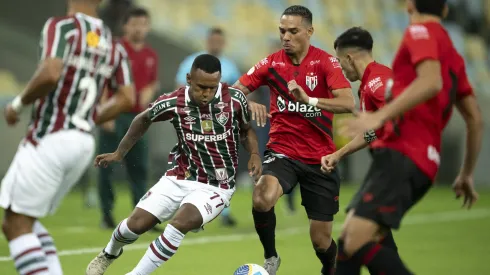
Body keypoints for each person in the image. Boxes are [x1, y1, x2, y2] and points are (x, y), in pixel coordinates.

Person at [334, 1, 482, 274]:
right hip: (422, 161)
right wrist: (467, 173)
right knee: (348, 243)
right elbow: (475, 119)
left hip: (402, 153)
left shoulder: (418, 32)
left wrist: (379, 116)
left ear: (409, 6)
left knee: (354, 240)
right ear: (446, 11)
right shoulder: (454, 55)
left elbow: (430, 82)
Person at [86, 54, 262, 275]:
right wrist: (119, 153)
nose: (206, 93)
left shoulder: (235, 100)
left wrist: (254, 153)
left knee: (178, 225)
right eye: (200, 87)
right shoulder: (173, 102)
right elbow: (143, 118)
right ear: (189, 79)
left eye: (211, 87)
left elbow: (246, 130)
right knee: (135, 225)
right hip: (179, 176)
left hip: (217, 186)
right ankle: (109, 253)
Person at [0, 0, 135, 274]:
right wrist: (86, 118)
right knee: (28, 220)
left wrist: (17, 105)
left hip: (51, 136)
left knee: (15, 224)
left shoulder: (62, 28)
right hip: (83, 142)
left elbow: (50, 72)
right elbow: (127, 97)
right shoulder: (113, 44)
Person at [234, 5, 355, 275]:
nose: (285, 37)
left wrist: (309, 100)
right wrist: (247, 101)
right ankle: (271, 258)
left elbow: (348, 102)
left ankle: (332, 269)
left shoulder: (326, 62)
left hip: (320, 158)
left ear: (309, 32)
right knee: (262, 197)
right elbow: (235, 91)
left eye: (293, 31)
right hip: (282, 152)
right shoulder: (271, 63)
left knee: (321, 241)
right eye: (282, 31)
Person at [319, 27, 400, 274]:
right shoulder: (370, 83)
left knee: (351, 237)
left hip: (394, 166)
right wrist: (338, 154)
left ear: (349, 58)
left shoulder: (378, 83)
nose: (342, 71)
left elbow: (398, 121)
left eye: (341, 64)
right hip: (386, 166)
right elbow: (374, 130)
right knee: (373, 236)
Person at [98, 7, 159, 229]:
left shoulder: (151, 54)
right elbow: (102, 81)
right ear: (125, 26)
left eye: (143, 24)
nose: (139, 28)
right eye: (134, 24)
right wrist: (104, 113)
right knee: (106, 166)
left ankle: (141, 216)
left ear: (148, 26)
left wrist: (148, 94)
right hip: (115, 115)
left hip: (138, 117)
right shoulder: (114, 50)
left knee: (140, 167)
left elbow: (153, 82)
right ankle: (106, 214)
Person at [175, 26, 241, 227]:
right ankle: (191, 208)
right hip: (194, 126)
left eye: (219, 41)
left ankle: (223, 211)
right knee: (193, 166)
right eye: (213, 40)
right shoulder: (191, 62)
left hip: (221, 128)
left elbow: (238, 93)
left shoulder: (229, 66)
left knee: (222, 167)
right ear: (207, 41)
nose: (216, 44)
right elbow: (178, 88)